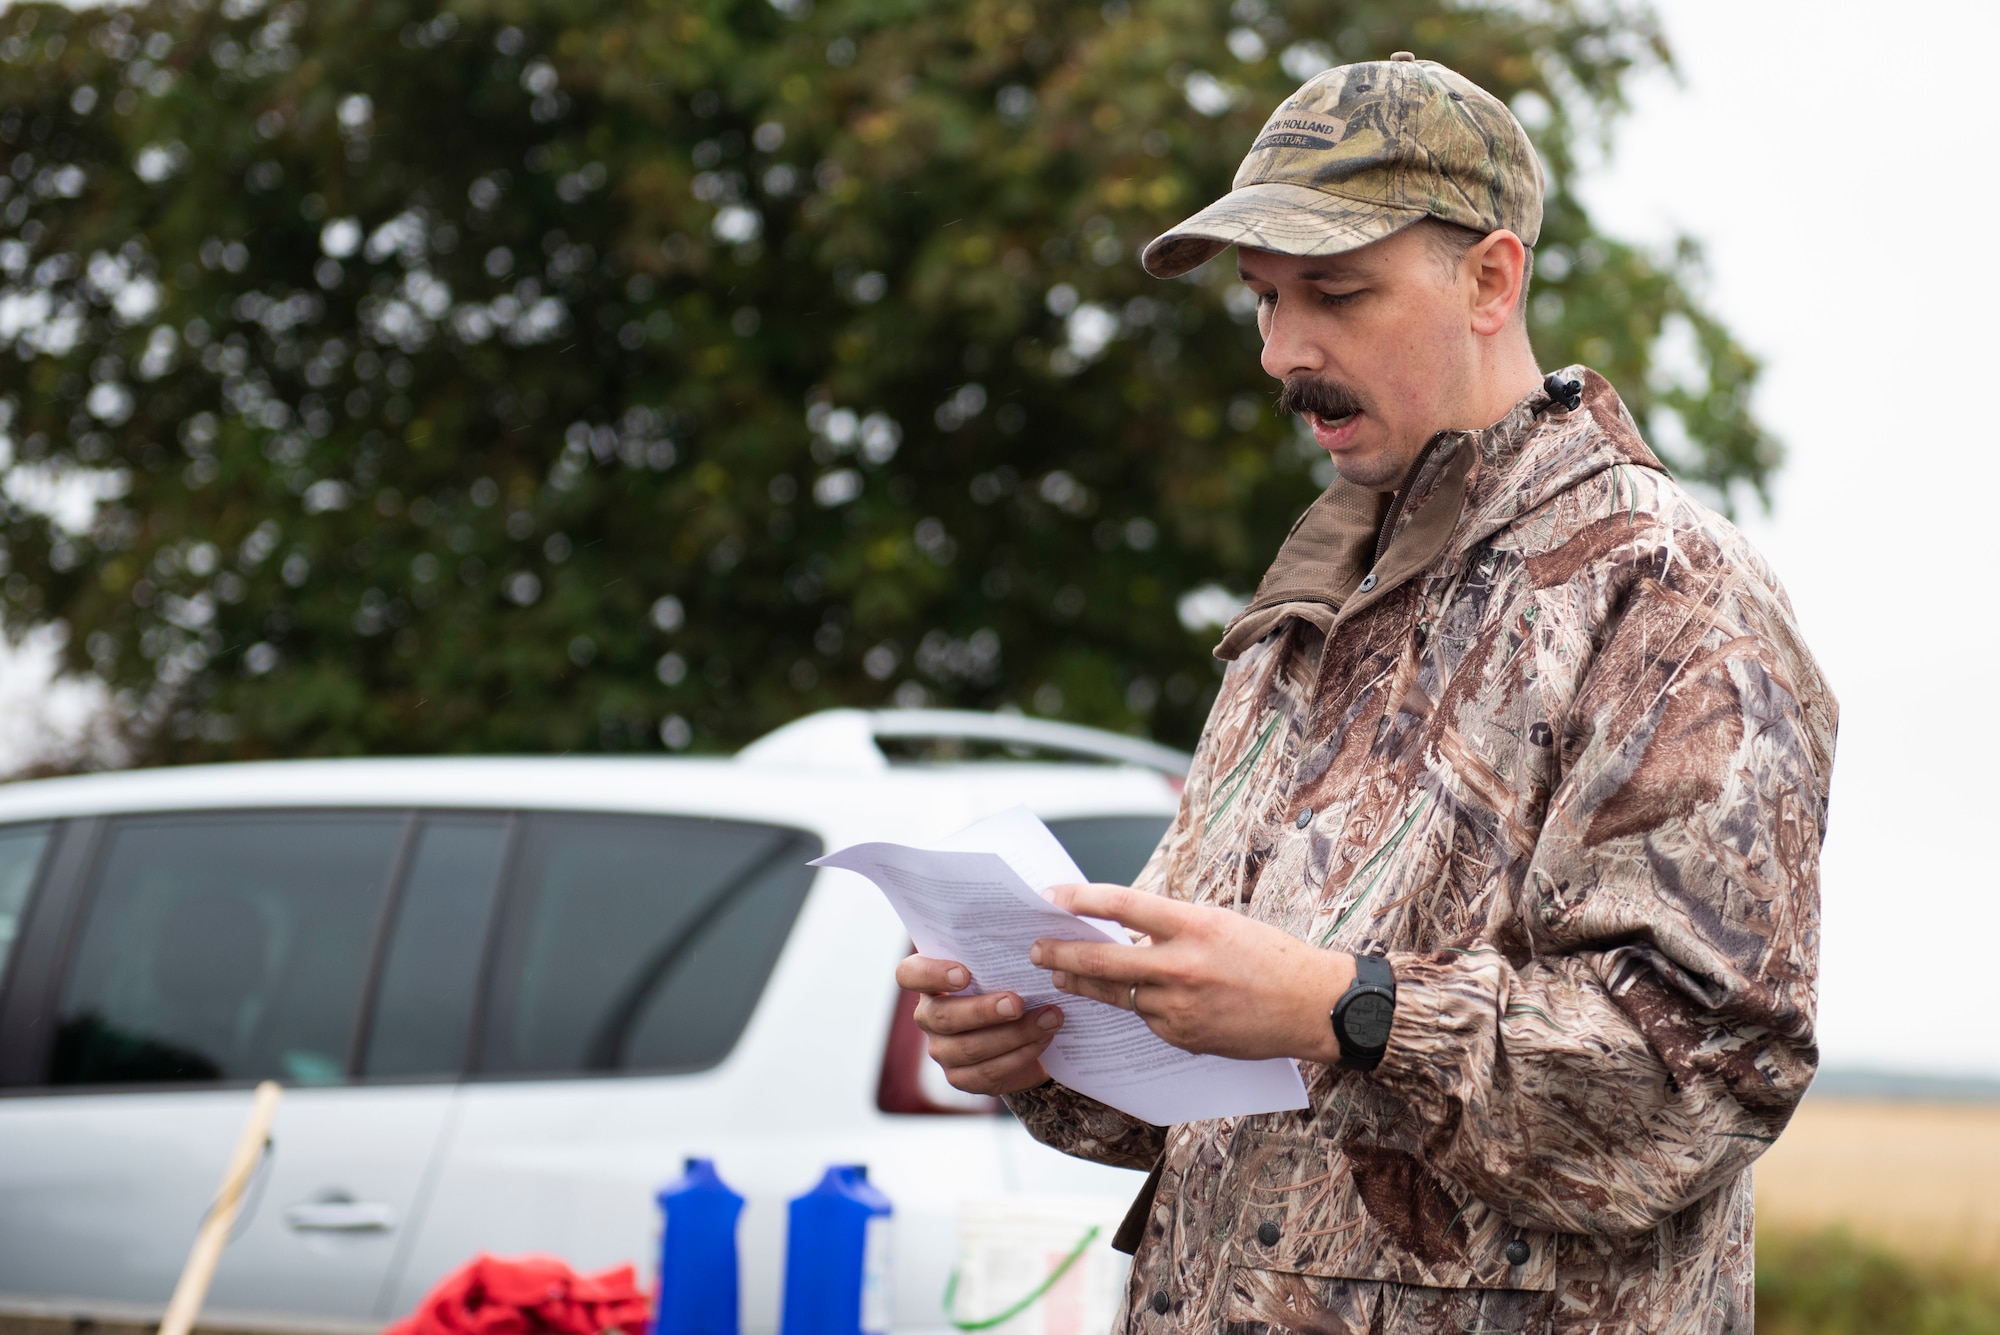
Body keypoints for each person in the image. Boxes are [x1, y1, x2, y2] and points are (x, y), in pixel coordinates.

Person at [895, 51, 1836, 1335]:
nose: (1284, 353)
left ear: (1490, 279)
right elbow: (1222, 1069)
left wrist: (1347, 1010)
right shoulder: (1311, 598)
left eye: (1334, 293)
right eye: (1262, 300)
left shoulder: (1668, 599)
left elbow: (1699, 1087)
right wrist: (1045, 1048)